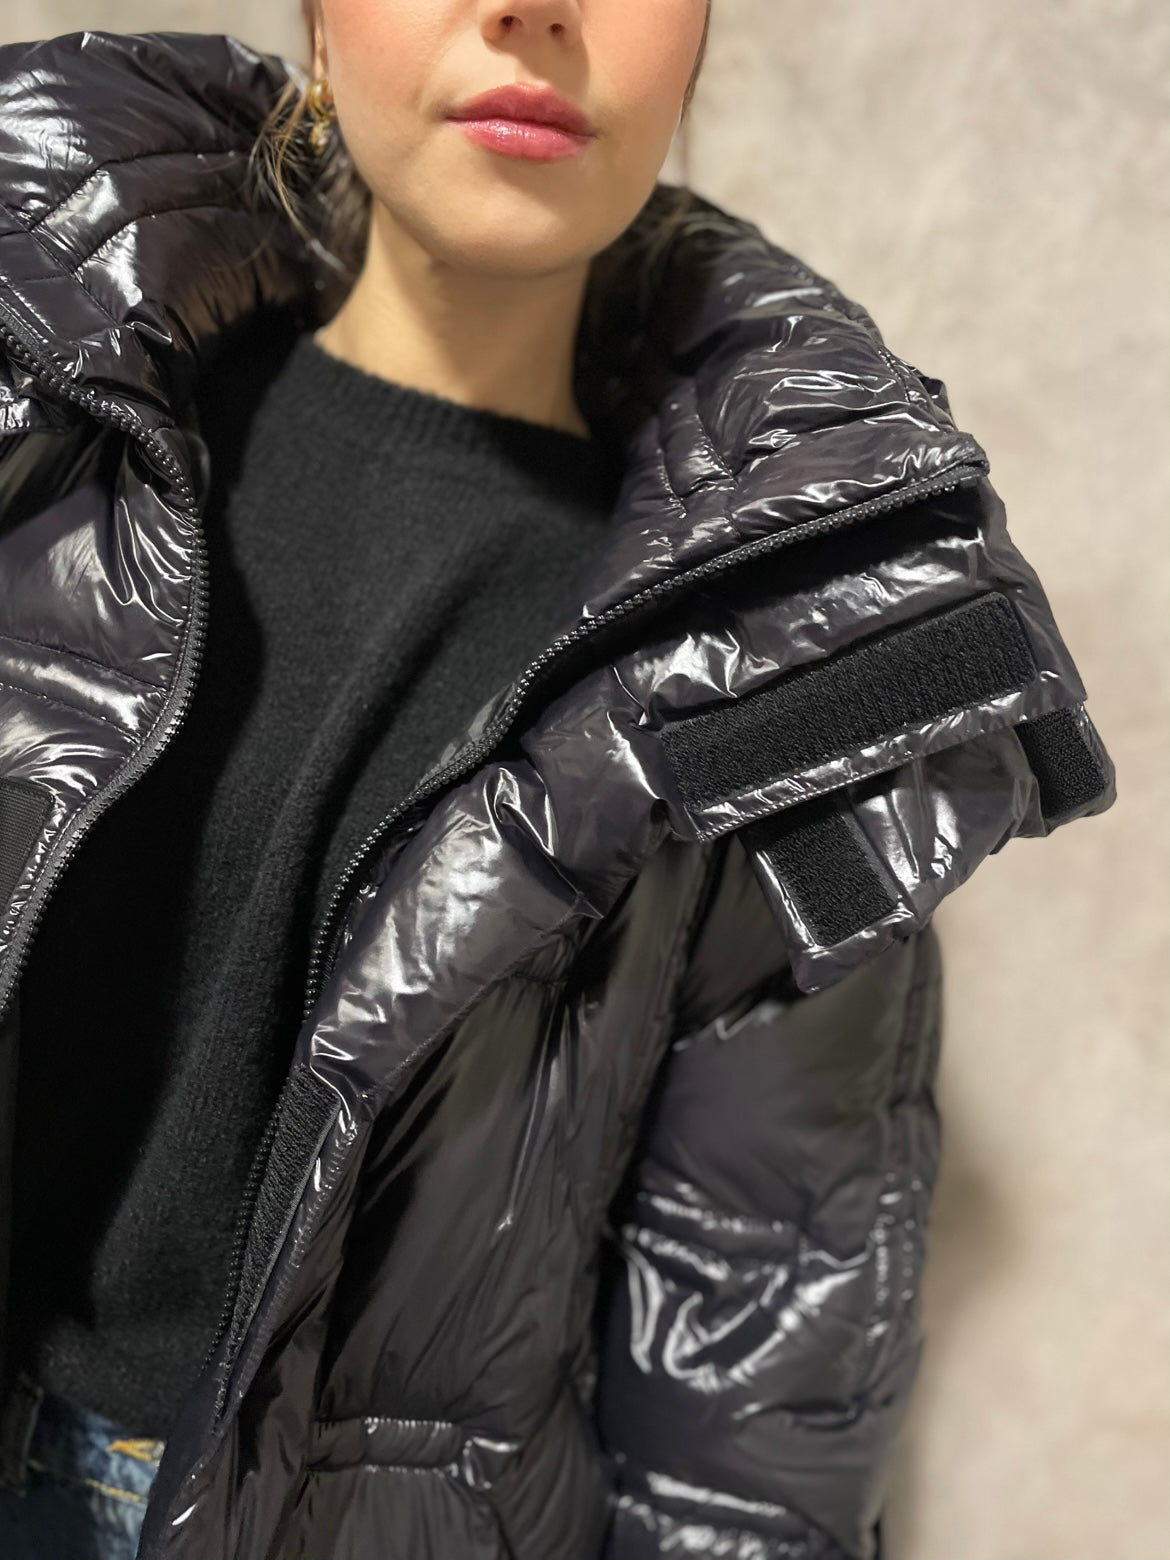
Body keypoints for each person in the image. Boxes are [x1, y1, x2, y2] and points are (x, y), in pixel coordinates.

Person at [0, 5, 1114, 1559]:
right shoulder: (51, 408)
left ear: (698, 40)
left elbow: (749, 1386)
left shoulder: (780, 635)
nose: (534, 7)